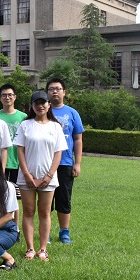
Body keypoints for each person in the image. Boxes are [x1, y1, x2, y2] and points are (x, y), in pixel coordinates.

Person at [13, 90, 67, 261]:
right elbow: (20, 151)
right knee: (28, 211)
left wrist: (49, 175)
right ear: (32, 106)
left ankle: (43, 249)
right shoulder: (25, 125)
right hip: (27, 177)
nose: (40, 106)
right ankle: (30, 248)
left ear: (49, 105)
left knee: (45, 213)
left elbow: (58, 153)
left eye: (43, 102)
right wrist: (27, 174)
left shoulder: (55, 127)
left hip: (48, 178)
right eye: (36, 103)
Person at [46, 78, 85, 244]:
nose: (55, 91)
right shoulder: (43, 111)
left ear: (64, 92)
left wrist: (77, 163)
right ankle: (46, 232)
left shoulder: (72, 113)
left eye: (58, 88)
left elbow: (78, 139)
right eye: (51, 89)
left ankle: (64, 232)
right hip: (45, 163)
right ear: (47, 93)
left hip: (65, 163)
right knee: (46, 201)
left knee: (64, 199)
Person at [0, 84, 27, 233]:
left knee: (15, 197)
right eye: (4, 95)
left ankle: (15, 227)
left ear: (15, 97)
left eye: (10, 95)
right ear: (0, 98)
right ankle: (0, 225)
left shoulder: (23, 117)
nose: (7, 97)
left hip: (17, 162)